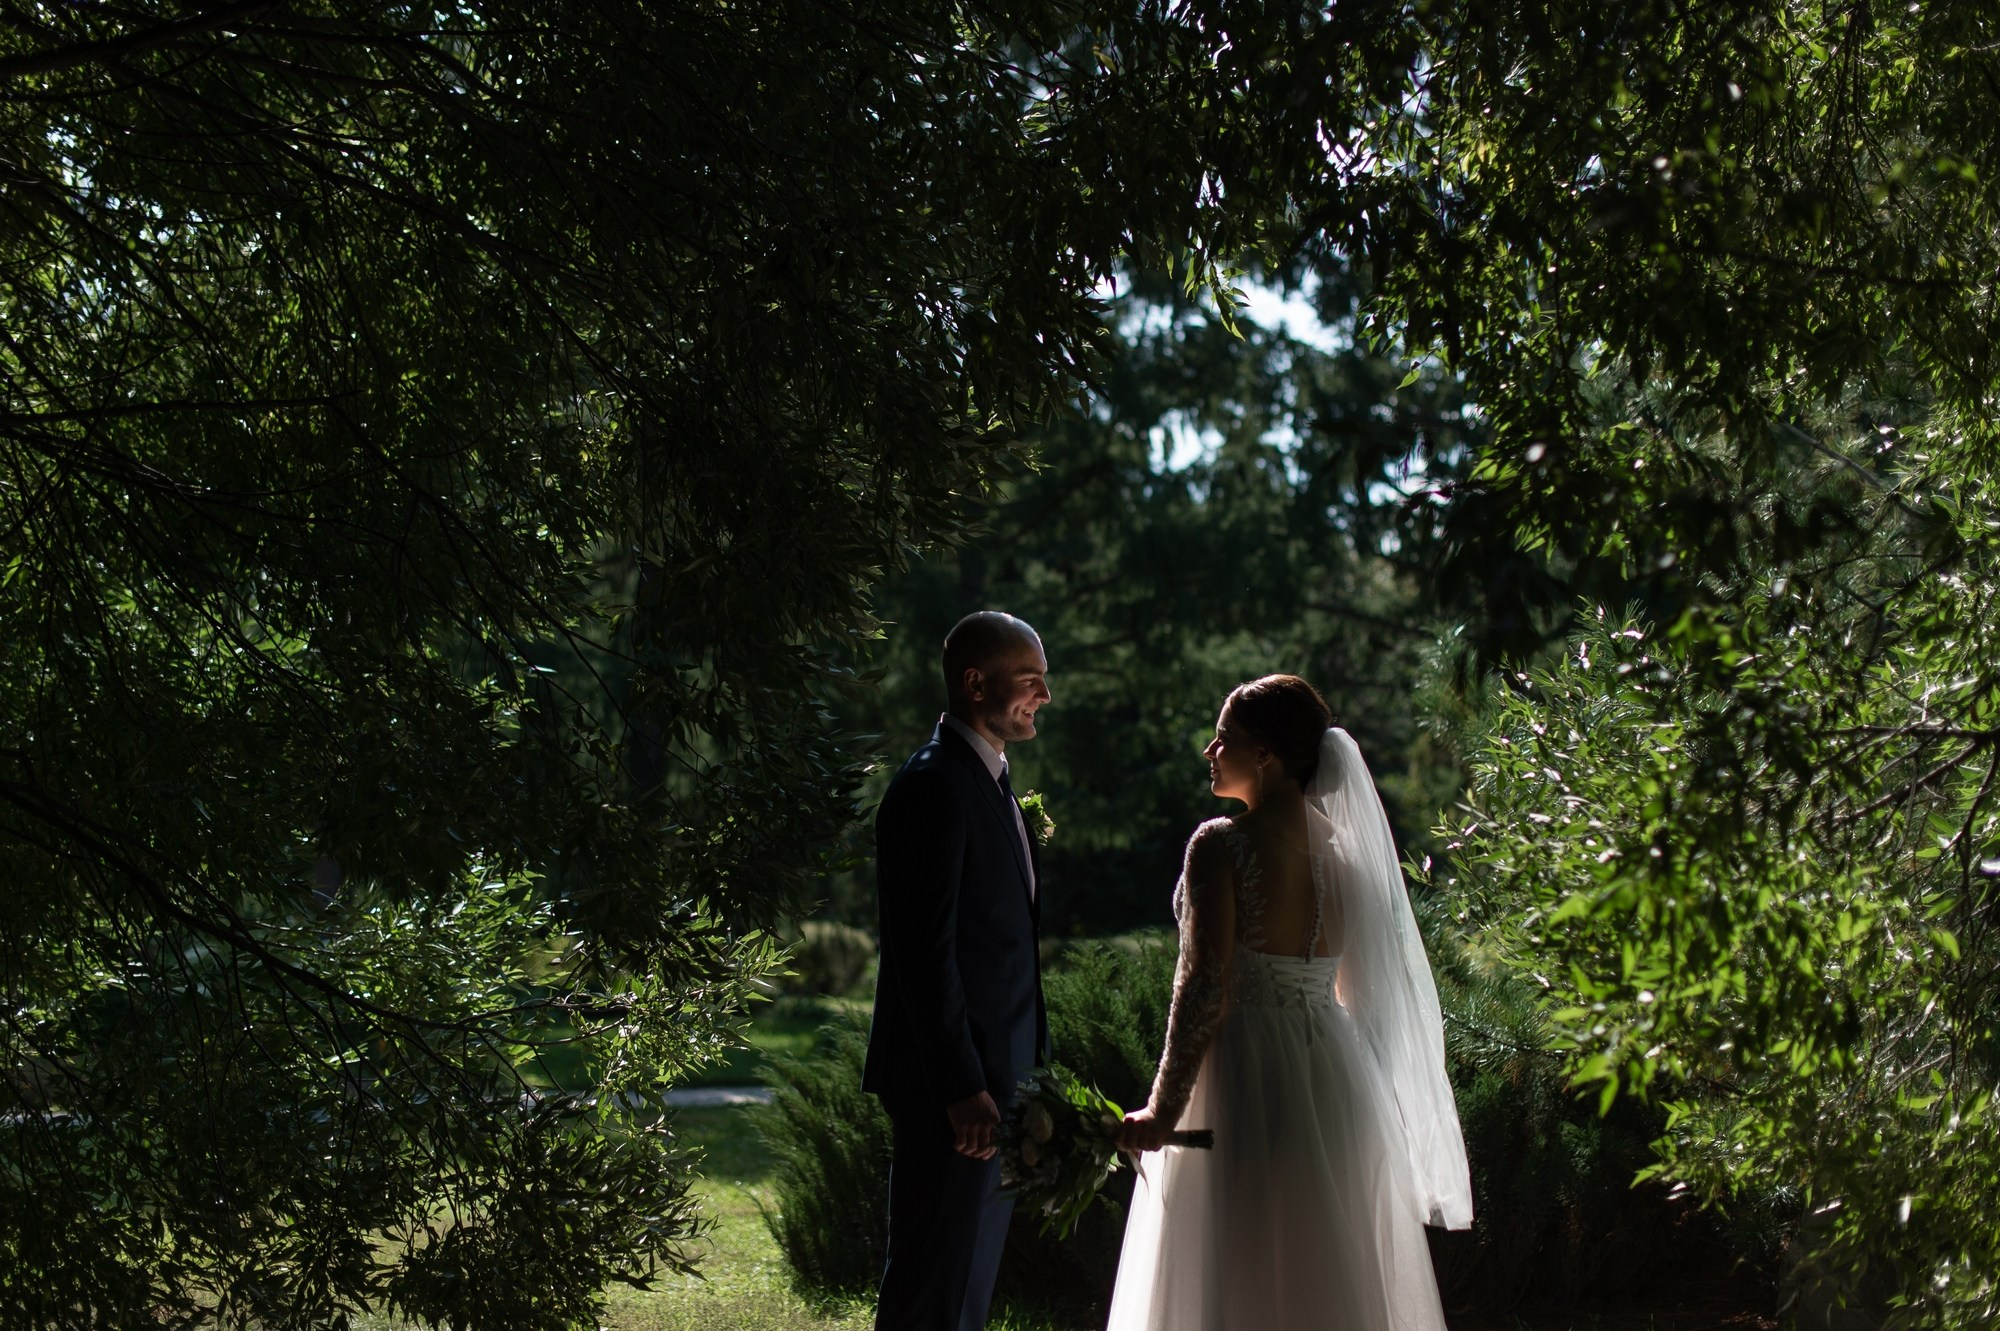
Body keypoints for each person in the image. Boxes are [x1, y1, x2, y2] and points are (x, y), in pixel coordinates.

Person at [1108, 674, 1473, 1331]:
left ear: (1266, 755)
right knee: (1319, 1264)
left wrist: (1162, 1110)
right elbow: (1361, 993)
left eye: (1225, 738)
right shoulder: (1349, 861)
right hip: (1332, 1076)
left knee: (1235, 1259)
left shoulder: (1219, 844)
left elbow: (1203, 987)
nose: (1210, 750)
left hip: (1243, 1072)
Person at [863, 611, 1053, 1331]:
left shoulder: (992, 783)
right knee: (930, 1291)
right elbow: (923, 952)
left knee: (964, 1291)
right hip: (956, 1095)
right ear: (977, 683)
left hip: (996, 1087)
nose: (1044, 696)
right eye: (1030, 680)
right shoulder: (933, 786)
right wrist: (962, 1086)